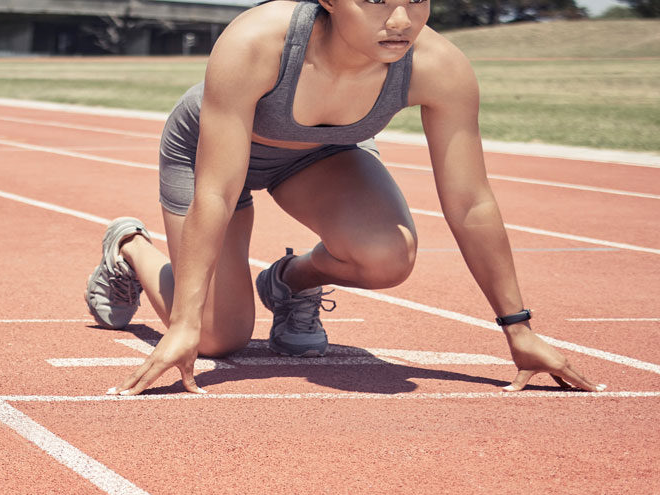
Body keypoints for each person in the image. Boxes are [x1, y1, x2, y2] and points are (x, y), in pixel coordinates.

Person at [86, 0, 603, 395]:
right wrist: (183, 324)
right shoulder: (256, 41)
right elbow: (218, 190)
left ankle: (288, 283)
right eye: (377, 0)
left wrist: (519, 328)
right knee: (219, 337)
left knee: (388, 256)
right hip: (210, 154)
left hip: (320, 154)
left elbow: (471, 203)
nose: (401, 19)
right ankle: (131, 248)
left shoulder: (438, 66)